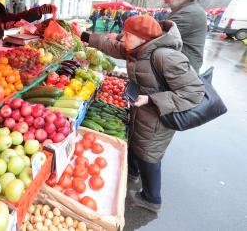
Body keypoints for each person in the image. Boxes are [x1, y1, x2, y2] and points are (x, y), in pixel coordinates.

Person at [80, 15, 205, 213]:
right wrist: (85, 36)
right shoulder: (137, 49)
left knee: (150, 155)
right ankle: (133, 173)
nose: (122, 38)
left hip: (159, 117)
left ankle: (152, 199)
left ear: (142, 37)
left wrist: (151, 99)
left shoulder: (165, 56)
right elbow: (112, 46)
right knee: (138, 144)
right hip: (142, 110)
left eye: (127, 35)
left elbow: (195, 92)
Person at [159, 0, 207, 72]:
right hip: (176, 71)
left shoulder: (190, 13)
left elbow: (154, 38)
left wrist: (119, 37)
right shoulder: (184, 10)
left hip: (180, 77)